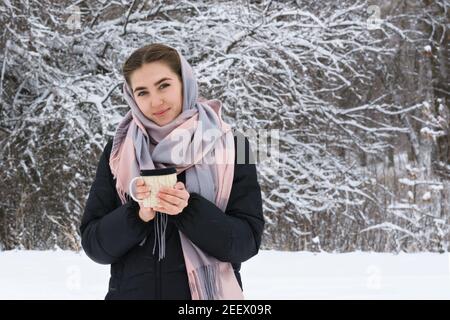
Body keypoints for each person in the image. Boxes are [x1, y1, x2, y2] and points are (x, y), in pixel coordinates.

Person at [79, 43, 264, 300]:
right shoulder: (120, 150)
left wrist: (189, 211)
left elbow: (247, 242)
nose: (155, 101)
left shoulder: (234, 145)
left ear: (184, 82)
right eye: (142, 92)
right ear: (132, 97)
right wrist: (137, 214)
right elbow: (94, 245)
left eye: (164, 85)